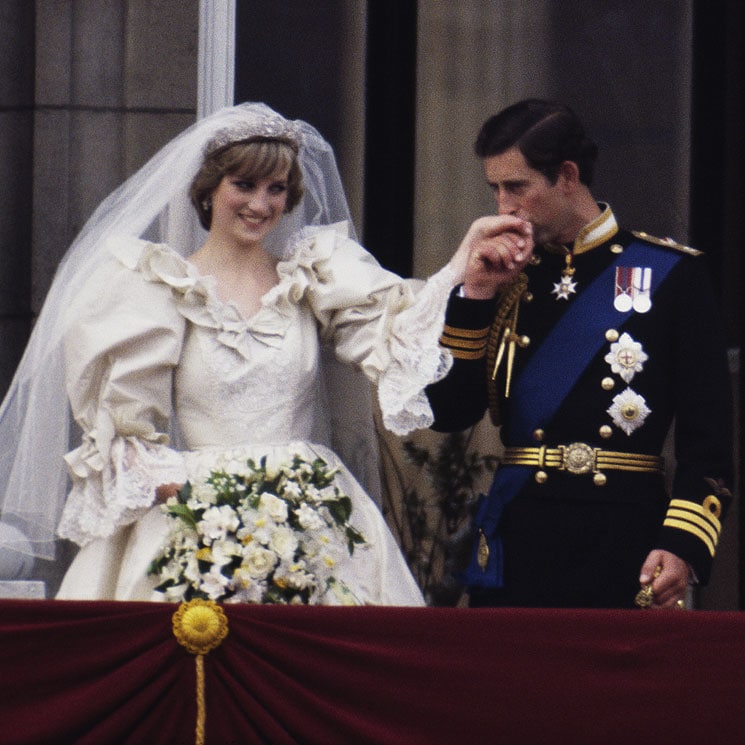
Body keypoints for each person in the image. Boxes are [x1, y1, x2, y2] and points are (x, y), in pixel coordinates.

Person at [0, 102, 522, 605]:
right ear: (208, 190)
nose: (261, 203)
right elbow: (127, 435)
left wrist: (460, 269)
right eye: (244, 185)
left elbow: (398, 338)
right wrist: (217, 518)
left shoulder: (314, 274)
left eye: (276, 189)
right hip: (195, 516)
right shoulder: (156, 286)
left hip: (313, 511)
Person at [426, 98, 734, 609]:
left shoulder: (672, 275)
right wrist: (474, 296)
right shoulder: (501, 276)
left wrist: (681, 544)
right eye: (496, 189)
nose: (503, 207)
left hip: (624, 540)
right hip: (520, 540)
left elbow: (710, 443)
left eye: (516, 187)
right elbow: (448, 413)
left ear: (567, 175)